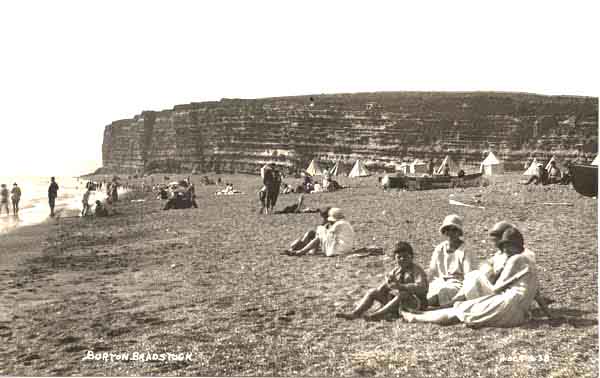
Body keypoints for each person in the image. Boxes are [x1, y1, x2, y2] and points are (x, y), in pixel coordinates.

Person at [401, 227, 539, 328]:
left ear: (517, 247)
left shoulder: (515, 260)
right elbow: (536, 292)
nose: (507, 250)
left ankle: (416, 317)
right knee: (463, 307)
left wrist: (495, 274)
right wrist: (549, 314)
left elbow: (496, 289)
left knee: (460, 311)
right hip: (520, 314)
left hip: (507, 306)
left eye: (509, 246)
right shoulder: (528, 260)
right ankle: (422, 314)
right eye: (505, 246)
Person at [336, 241, 428, 320]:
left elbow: (422, 287)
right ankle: (356, 313)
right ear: (395, 259)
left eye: (405, 256)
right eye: (399, 257)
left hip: (415, 304)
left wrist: (401, 286)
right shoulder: (396, 271)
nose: (402, 259)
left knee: (403, 294)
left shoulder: (416, 270)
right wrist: (386, 286)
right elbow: (385, 287)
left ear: (411, 257)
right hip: (398, 303)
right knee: (373, 292)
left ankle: (377, 315)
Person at [426, 214, 474, 307]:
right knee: (429, 290)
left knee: (442, 292)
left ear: (459, 232)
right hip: (439, 281)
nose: (450, 233)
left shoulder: (466, 250)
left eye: (454, 230)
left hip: (457, 284)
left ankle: (421, 307)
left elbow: (469, 275)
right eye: (447, 230)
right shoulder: (440, 248)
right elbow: (432, 271)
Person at [288, 208, 355, 257]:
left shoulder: (338, 224)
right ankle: (303, 250)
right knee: (318, 234)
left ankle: (302, 251)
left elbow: (328, 233)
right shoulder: (345, 223)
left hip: (338, 251)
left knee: (319, 235)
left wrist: (322, 229)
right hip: (344, 249)